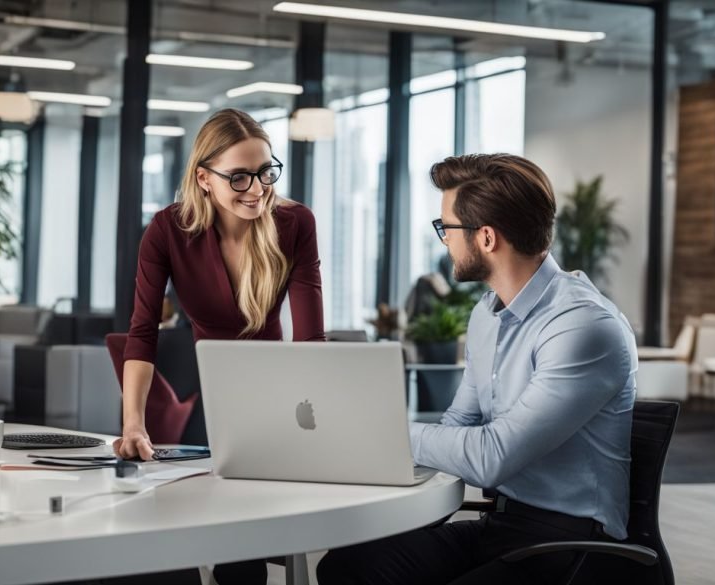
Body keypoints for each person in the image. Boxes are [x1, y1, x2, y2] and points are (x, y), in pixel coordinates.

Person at [317, 153, 638, 585]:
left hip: (574, 544)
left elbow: (491, 457)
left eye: (445, 228)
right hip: (505, 525)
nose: (443, 241)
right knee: (349, 565)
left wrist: (379, 431)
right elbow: (459, 424)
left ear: (486, 238)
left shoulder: (582, 326)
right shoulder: (488, 313)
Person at [114, 108, 325, 584]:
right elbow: (142, 331)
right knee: (161, 533)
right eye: (240, 177)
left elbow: (311, 338)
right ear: (204, 178)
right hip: (210, 394)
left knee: (242, 551)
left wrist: (316, 425)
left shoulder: (294, 224)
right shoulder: (168, 229)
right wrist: (133, 423)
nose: (257, 189)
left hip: (273, 396)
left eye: (266, 171)